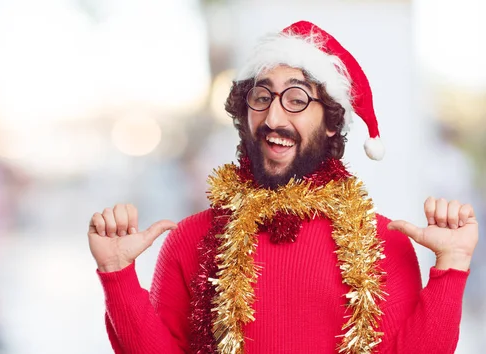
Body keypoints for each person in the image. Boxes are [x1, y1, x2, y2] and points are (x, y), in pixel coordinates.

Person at [88, 21, 478, 353]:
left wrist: (452, 267)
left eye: (297, 98)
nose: (273, 116)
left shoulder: (383, 242)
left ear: (330, 121)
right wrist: (117, 273)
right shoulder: (191, 240)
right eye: (262, 97)